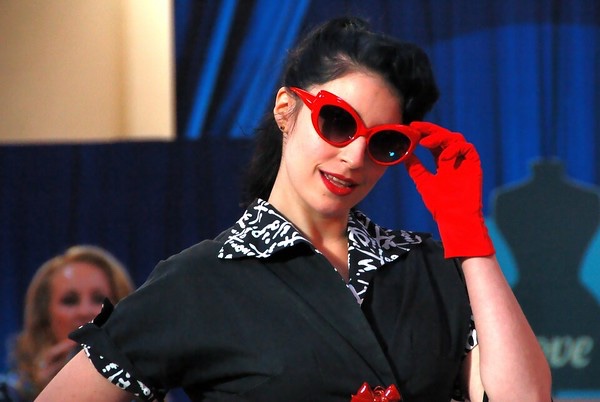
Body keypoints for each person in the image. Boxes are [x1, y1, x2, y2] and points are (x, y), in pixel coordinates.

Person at [36, 17, 552, 401]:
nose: (353, 157)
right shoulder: (197, 283)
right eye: (338, 123)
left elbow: (525, 399)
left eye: (384, 143)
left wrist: (468, 233)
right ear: (288, 110)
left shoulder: (429, 268)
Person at [0, 245, 134, 401]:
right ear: (45, 319)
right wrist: (43, 392)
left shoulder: (145, 392)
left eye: (99, 299)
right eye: (70, 301)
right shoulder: (9, 394)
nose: (85, 311)